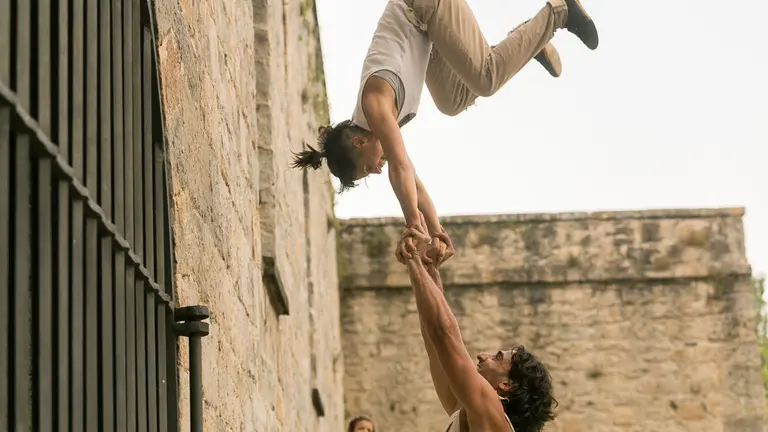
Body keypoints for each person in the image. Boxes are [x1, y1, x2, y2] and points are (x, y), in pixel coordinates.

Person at [292, 0, 599, 264]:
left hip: (422, 7)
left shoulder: (375, 104)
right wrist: (436, 229)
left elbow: (400, 168)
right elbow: (412, 180)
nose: (377, 169)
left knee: (486, 78)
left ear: (359, 142)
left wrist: (413, 225)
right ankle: (529, 39)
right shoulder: (378, 127)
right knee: (453, 100)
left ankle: (559, 10)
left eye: (367, 168)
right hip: (426, 29)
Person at [397, 220, 558, 431]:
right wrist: (431, 270)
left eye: (497, 358)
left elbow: (444, 335)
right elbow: (435, 343)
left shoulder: (489, 412)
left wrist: (413, 257)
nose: (483, 355)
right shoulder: (470, 411)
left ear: (507, 385)